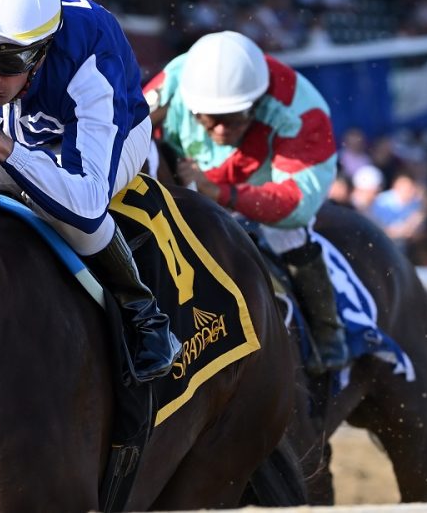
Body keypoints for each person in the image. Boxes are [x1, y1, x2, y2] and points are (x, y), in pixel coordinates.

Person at [0, 0, 180, 385]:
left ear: (41, 52)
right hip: (12, 124)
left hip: (112, 133)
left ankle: (144, 315)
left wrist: (4, 147)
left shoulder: (90, 54)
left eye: (7, 64)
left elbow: (88, 201)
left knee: (69, 214)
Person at [145, 30, 348, 371]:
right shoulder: (175, 80)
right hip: (190, 171)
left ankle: (327, 333)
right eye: (209, 117)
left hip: (269, 180)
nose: (221, 130)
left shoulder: (301, 112)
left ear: (258, 101)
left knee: (288, 235)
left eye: (234, 117)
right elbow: (121, 124)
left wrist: (220, 192)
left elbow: (297, 206)